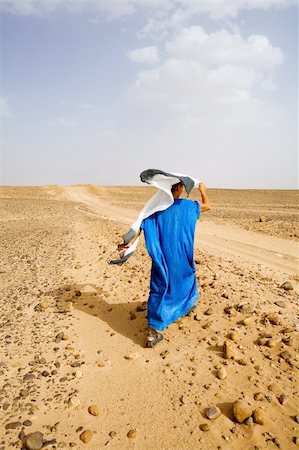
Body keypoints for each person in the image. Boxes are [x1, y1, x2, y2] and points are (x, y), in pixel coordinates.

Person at [120, 182, 210, 347]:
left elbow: (141, 226)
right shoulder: (188, 206)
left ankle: (153, 333)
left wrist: (128, 245)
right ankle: (185, 306)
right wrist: (202, 191)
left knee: (160, 288)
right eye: (181, 186)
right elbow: (207, 206)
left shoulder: (156, 209)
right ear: (178, 189)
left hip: (162, 259)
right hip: (182, 256)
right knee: (185, 279)